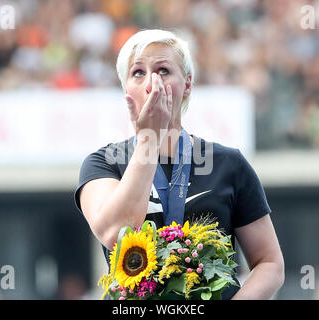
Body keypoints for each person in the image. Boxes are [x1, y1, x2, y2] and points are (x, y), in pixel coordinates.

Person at [74, 29, 284, 300]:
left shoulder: (228, 163)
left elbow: (270, 263)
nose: (152, 82)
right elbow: (116, 234)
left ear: (187, 84)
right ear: (126, 89)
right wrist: (149, 140)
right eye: (138, 73)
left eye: (163, 70)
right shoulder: (103, 164)